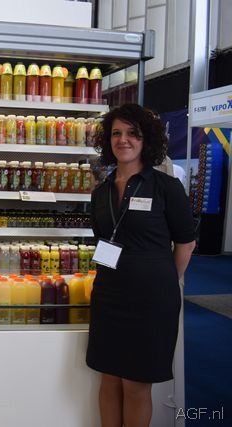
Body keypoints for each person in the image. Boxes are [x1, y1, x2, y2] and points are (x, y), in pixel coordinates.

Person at [87, 103, 195, 427]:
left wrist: (165, 280)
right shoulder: (101, 192)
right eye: (116, 133)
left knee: (136, 385)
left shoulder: (166, 187)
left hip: (151, 300)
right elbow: (103, 238)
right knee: (108, 379)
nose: (123, 140)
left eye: (132, 133)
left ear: (146, 139)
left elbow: (186, 242)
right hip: (109, 296)